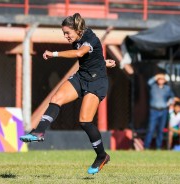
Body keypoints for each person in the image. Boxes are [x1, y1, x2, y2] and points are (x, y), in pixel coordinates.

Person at [20, 13, 115, 175]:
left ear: (77, 30)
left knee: (85, 121)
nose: (65, 36)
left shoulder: (89, 38)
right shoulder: (78, 38)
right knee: (56, 98)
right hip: (81, 77)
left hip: (96, 82)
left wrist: (54, 54)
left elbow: (80, 54)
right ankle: (39, 131)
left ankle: (102, 156)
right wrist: (103, 62)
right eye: (63, 33)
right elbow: (91, 57)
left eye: (67, 33)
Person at [144, 73, 175, 149]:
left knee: (160, 130)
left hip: (163, 111)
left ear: (164, 80)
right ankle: (146, 147)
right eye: (159, 79)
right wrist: (157, 76)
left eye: (162, 79)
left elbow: (172, 97)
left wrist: (170, 102)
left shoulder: (167, 88)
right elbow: (149, 82)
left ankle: (158, 147)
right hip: (154, 111)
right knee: (151, 129)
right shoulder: (153, 87)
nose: (161, 80)